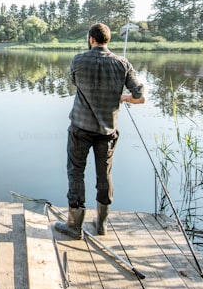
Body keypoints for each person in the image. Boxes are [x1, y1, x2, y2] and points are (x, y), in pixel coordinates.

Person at [56, 23, 145, 239]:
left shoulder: (78, 60)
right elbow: (140, 97)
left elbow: (76, 82)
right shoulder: (122, 63)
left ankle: (74, 226)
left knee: (76, 171)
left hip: (80, 128)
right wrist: (124, 97)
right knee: (104, 175)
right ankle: (102, 224)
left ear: (91, 39)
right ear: (108, 40)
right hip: (107, 131)